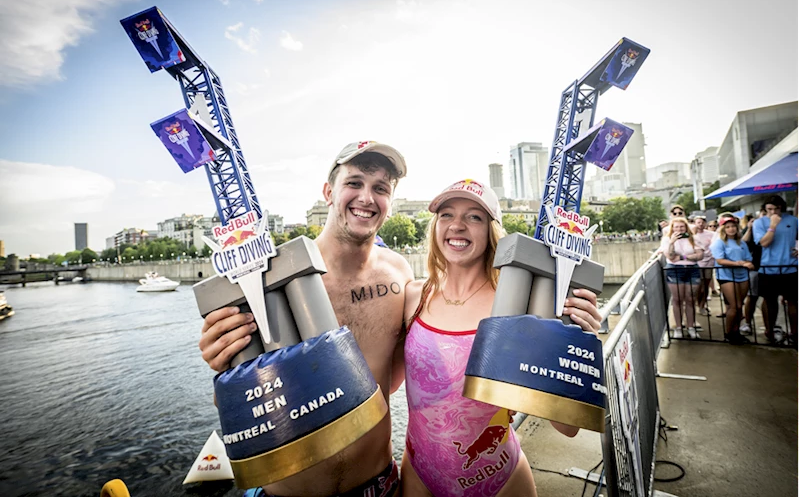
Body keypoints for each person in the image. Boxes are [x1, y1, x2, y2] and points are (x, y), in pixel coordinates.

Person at [198, 141, 413, 496]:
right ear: (329, 192)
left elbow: (396, 379)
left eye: (381, 188)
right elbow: (233, 404)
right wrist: (220, 357)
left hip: (377, 484)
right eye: (354, 183)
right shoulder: (269, 280)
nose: (366, 198)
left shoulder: (398, 275)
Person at [397, 180, 602, 496]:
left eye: (474, 217)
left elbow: (567, 427)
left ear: (492, 231)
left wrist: (576, 341)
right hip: (418, 477)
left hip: (499, 482)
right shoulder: (413, 297)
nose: (458, 226)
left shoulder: (516, 308)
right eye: (446, 214)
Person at [752, 195, 799, 346]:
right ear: (764, 209)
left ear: (781, 207)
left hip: (790, 268)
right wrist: (772, 226)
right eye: (769, 209)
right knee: (770, 302)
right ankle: (770, 331)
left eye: (776, 209)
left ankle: (795, 333)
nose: (773, 211)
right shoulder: (759, 223)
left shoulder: (792, 220)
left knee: (793, 302)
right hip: (768, 269)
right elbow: (764, 243)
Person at [710, 214, 754, 345]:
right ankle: (729, 333)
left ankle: (736, 332)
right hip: (726, 276)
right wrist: (739, 263)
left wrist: (746, 263)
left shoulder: (742, 243)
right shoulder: (719, 243)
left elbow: (748, 258)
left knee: (740, 306)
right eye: (728, 227)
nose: (731, 229)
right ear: (723, 229)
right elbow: (720, 260)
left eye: (733, 226)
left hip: (742, 276)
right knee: (734, 306)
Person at [661, 217, 704, 339]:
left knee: (690, 299)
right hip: (675, 270)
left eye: (682, 227)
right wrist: (672, 243)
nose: (679, 229)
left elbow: (700, 255)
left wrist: (683, 257)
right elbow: (670, 256)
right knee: (677, 299)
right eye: (676, 227)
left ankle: (690, 327)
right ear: (672, 228)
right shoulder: (667, 239)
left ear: (686, 227)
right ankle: (678, 328)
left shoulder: (693, 238)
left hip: (692, 270)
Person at [740, 211, 763, 335]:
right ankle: (747, 322)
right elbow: (742, 243)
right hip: (754, 267)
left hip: (770, 267)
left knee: (768, 298)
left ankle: (771, 326)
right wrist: (749, 228)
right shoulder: (751, 229)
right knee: (752, 296)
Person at [692, 215, 716, 318]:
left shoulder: (711, 234)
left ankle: (703, 304)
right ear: (695, 223)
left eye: (702, 222)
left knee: (706, 285)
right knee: (699, 286)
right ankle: (699, 304)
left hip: (709, 261)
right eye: (698, 222)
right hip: (697, 263)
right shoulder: (692, 235)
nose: (700, 224)